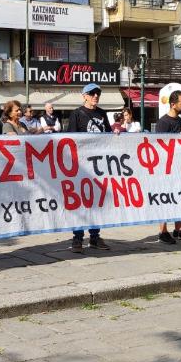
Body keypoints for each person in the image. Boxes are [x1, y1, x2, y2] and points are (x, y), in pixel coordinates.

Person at [64, 83, 115, 253]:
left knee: (96, 201)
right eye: (92, 93)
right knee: (80, 202)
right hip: (82, 165)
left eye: (98, 93)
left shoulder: (102, 113)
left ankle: (94, 236)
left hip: (99, 165)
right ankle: (77, 238)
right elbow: (71, 139)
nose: (96, 96)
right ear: (84, 96)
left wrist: (115, 134)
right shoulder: (77, 114)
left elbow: (108, 135)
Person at [154, 90, 181, 244]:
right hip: (166, 167)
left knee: (180, 197)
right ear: (173, 104)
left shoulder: (180, 121)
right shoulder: (163, 122)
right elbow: (160, 145)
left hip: (180, 165)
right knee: (166, 197)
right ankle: (163, 231)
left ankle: (178, 229)